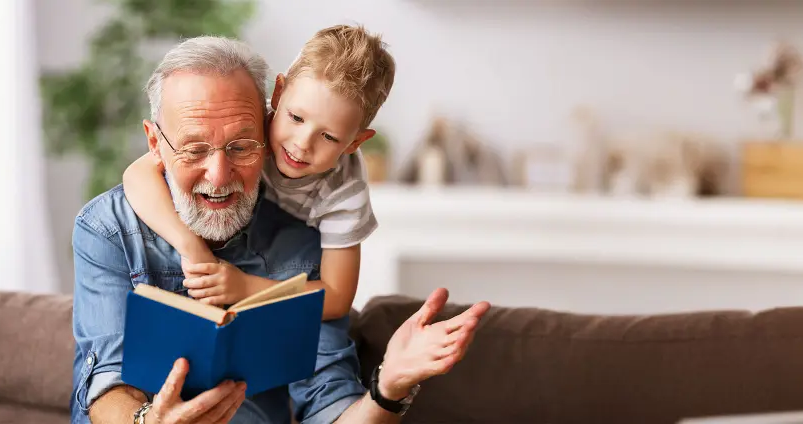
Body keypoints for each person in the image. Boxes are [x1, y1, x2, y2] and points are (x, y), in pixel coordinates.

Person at [70, 35, 491, 424]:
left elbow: (329, 398)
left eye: (241, 147)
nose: (218, 176)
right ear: (155, 143)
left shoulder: (311, 232)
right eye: (195, 149)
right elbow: (105, 382)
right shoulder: (108, 230)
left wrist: (388, 387)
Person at [121, 24, 392, 322]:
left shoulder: (344, 191)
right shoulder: (246, 130)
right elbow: (137, 174)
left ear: (355, 142)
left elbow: (337, 298)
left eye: (329, 137)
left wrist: (245, 288)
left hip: (282, 265)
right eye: (296, 117)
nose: (301, 144)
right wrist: (194, 250)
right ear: (278, 94)